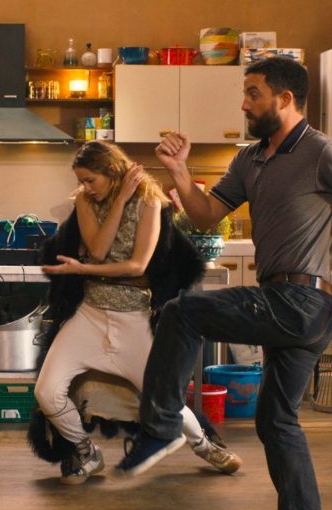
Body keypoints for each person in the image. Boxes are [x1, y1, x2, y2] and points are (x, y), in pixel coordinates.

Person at [114, 57, 332, 510]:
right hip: (287, 302)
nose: (244, 104)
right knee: (275, 421)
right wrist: (180, 172)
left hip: (302, 301)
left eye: (253, 94)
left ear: (285, 99)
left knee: (182, 312)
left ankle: (161, 426)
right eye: (245, 94)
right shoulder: (249, 160)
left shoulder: (321, 151)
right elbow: (206, 215)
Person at [34, 140, 243, 485]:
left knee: (164, 400)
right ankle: (85, 451)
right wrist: (117, 201)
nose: (85, 187)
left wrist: (83, 269)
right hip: (89, 316)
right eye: (82, 181)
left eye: (90, 180)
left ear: (110, 171)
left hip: (132, 318)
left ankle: (206, 446)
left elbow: (137, 266)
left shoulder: (148, 200)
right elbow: (99, 250)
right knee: (46, 391)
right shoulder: (85, 200)